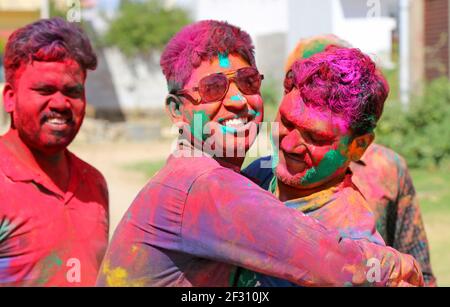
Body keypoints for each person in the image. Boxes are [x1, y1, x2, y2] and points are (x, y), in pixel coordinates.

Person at [96, 20, 423, 287]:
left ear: (360, 145)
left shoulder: (348, 222)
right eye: (212, 87)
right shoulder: (204, 182)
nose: (238, 99)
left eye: (248, 81)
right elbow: (335, 263)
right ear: (177, 110)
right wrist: (402, 265)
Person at [242, 34, 436, 286]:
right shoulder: (261, 171)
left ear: (359, 146)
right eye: (287, 122)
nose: (289, 144)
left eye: (316, 137)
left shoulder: (356, 246)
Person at [0, 17, 109, 286]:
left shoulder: (94, 184)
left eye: (72, 91)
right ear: (10, 98)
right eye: (45, 90)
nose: (61, 103)